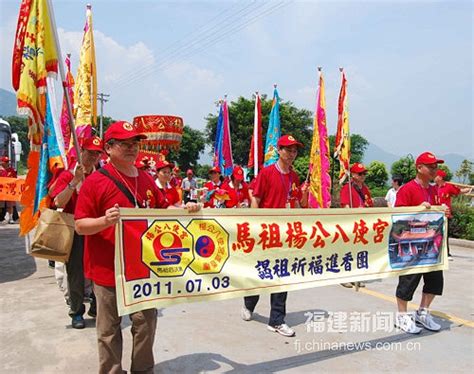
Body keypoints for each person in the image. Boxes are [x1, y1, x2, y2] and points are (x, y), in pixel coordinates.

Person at [75, 121, 200, 373]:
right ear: (108, 148)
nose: (132, 148)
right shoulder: (96, 182)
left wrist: (184, 209)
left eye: (135, 144)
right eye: (125, 144)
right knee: (109, 329)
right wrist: (104, 221)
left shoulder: (145, 179)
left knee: (146, 323)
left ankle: (142, 369)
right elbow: (80, 225)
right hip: (107, 269)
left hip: (143, 268)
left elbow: (162, 209)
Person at [241, 135, 308, 337]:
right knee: (260, 273)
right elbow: (256, 198)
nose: (291, 154)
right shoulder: (267, 173)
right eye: (288, 150)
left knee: (282, 275)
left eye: (295, 151)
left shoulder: (294, 177)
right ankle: (248, 303)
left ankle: (277, 320)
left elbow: (296, 203)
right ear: (279, 150)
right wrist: (255, 226)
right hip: (266, 233)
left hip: (286, 235)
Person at [50, 136, 103, 329]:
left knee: (99, 269)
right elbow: (58, 202)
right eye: (90, 152)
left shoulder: (100, 175)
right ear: (82, 151)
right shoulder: (67, 174)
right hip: (74, 228)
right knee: (76, 273)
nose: (93, 157)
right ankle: (76, 311)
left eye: (97, 154)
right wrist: (75, 182)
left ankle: (97, 307)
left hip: (97, 227)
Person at [394, 151, 444, 334]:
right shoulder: (407, 189)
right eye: (430, 166)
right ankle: (401, 315)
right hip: (412, 245)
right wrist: (417, 209)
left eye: (435, 166)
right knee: (409, 280)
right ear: (419, 168)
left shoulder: (434, 189)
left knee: (435, 280)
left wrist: (442, 211)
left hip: (432, 245)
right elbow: (398, 217)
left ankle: (422, 312)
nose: (434, 169)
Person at [339, 162, 372, 288]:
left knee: (359, 251)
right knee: (347, 251)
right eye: (360, 173)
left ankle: (356, 276)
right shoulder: (347, 188)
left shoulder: (365, 189)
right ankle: (344, 276)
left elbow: (369, 204)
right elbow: (345, 206)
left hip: (363, 225)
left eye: (364, 173)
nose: (363, 176)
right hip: (351, 224)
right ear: (353, 175)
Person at [434, 169, 471, 259]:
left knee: (445, 234)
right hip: (435, 215)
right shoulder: (434, 188)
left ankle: (446, 253)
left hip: (446, 215)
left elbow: (459, 191)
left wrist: (470, 189)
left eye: (436, 176)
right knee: (435, 234)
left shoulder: (448, 187)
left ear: (440, 177)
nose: (434, 177)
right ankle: (436, 252)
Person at [0, 156, 18, 224]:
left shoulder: (11, 170)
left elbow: (15, 179)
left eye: (8, 162)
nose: (7, 163)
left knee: (10, 205)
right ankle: (1, 218)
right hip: (1, 191)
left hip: (10, 191)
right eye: (6, 162)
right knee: (1, 205)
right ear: (2, 162)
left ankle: (10, 218)